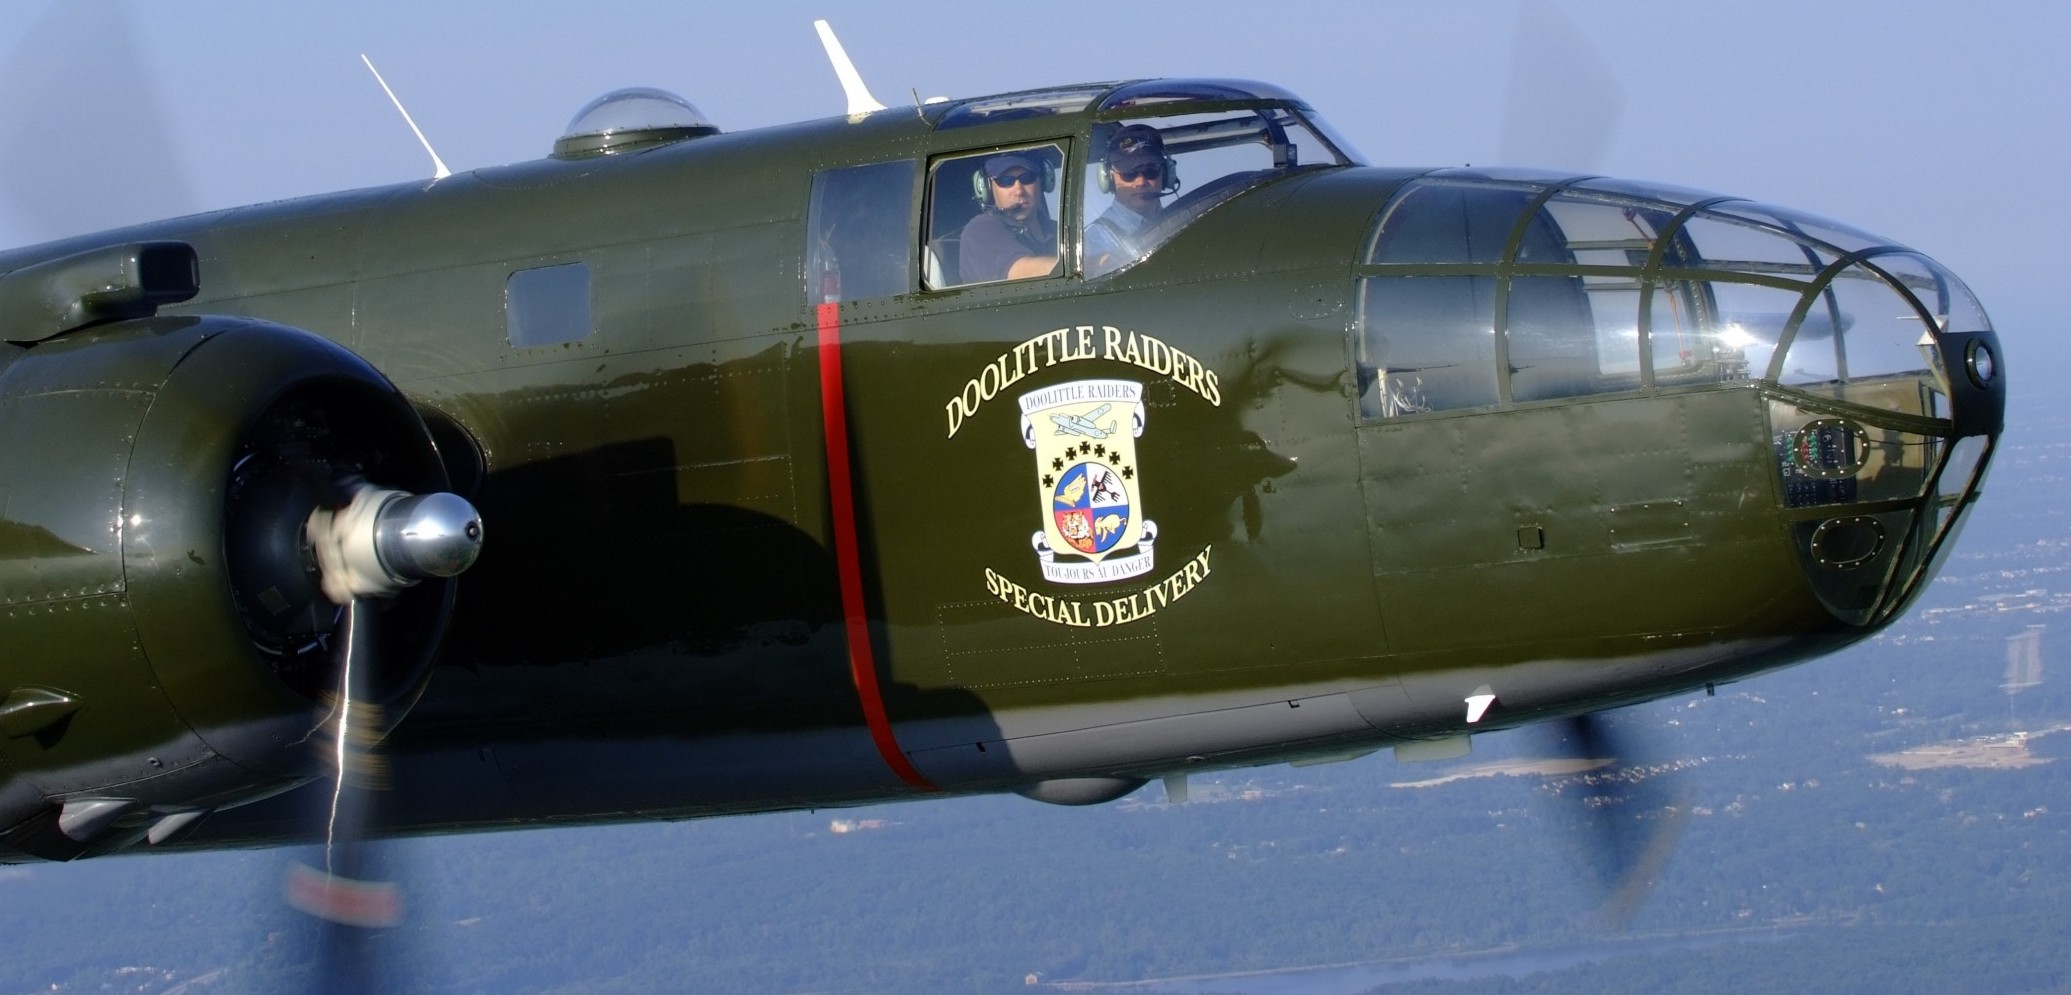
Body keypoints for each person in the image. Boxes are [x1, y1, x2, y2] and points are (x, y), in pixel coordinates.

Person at [958, 151, 1059, 284]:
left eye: (1027, 178)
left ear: (1043, 180)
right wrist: (1084, 266)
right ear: (987, 188)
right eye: (1005, 181)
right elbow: (1023, 272)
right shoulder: (979, 231)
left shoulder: (1059, 230)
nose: (1019, 191)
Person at [1084, 125, 1172, 277]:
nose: (1140, 182)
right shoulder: (1094, 240)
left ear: (1166, 174)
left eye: (1150, 171)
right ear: (1109, 178)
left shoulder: (1185, 221)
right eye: (1129, 173)